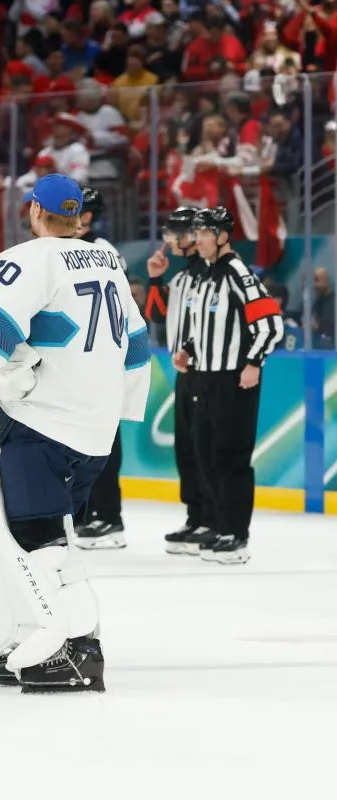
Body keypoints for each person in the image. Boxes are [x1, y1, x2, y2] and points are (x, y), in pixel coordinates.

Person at [0, 174, 151, 692]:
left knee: (35, 537)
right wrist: (117, 410)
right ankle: (29, 632)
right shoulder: (106, 261)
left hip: (46, 424)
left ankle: (80, 649)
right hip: (92, 433)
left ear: (34, 212)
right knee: (20, 533)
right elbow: (136, 345)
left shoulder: (31, 258)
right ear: (78, 215)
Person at [177, 207, 283, 565]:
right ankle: (219, 525)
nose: (198, 239)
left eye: (205, 233)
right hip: (204, 377)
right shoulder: (207, 276)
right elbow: (205, 324)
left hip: (234, 378)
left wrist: (253, 363)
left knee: (231, 457)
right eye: (197, 233)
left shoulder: (239, 273)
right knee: (205, 453)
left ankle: (236, 534)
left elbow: (271, 325)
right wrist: (190, 350)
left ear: (223, 236)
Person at [144, 208, 214, 555]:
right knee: (186, 447)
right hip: (183, 371)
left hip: (208, 372)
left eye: (175, 234)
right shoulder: (184, 277)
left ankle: (213, 518)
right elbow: (158, 315)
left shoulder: (211, 275)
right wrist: (156, 279)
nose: (169, 240)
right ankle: (196, 515)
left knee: (205, 447)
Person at [73, 186, 129, 548]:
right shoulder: (70, 250)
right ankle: (86, 512)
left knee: (103, 440)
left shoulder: (102, 251)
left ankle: (109, 516)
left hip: (100, 360)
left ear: (88, 216)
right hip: (77, 361)